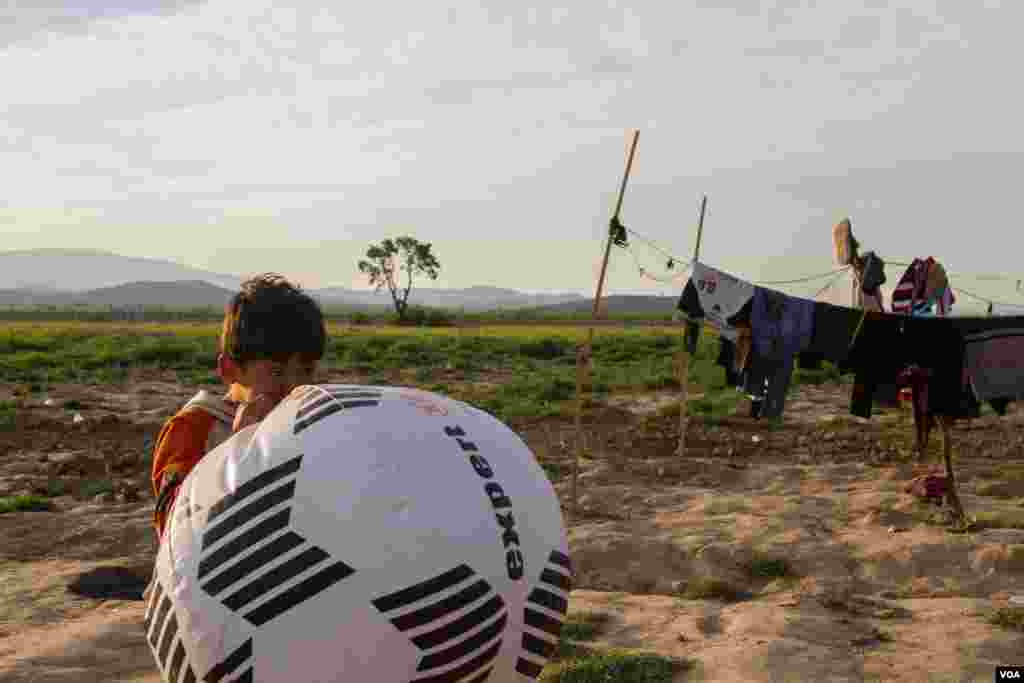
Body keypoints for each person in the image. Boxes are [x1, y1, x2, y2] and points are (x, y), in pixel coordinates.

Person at [149, 273, 326, 539]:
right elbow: (175, 528)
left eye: (305, 370)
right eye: (276, 372)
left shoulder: (309, 423)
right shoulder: (193, 429)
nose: (294, 386)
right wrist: (239, 451)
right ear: (229, 369)